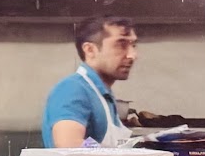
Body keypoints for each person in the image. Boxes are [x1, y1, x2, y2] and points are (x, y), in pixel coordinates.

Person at [41, 16, 137, 147]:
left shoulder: (102, 94)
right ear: (90, 50)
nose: (132, 55)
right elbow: (69, 144)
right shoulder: (73, 89)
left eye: (133, 45)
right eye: (121, 45)